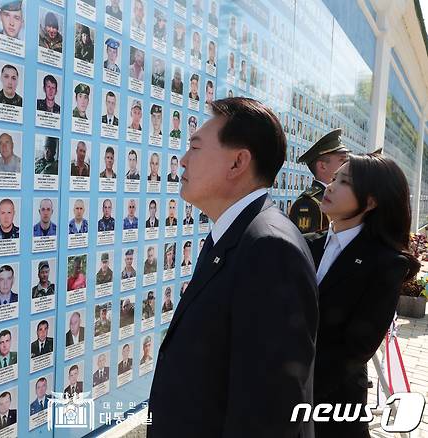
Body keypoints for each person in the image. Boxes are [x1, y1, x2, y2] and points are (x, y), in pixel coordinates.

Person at [148, 98, 318, 437]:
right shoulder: (237, 235)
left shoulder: (269, 249)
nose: (182, 161)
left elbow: (269, 412)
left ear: (238, 162)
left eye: (195, 147)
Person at [304, 153, 420, 438]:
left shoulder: (386, 263)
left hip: (331, 403)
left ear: (370, 201)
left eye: (344, 182)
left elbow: (357, 348)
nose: (330, 187)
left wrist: (295, 385)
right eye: (333, 178)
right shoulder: (307, 245)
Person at [290, 129, 349, 233]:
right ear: (322, 166)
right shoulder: (308, 203)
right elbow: (306, 246)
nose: (347, 164)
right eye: (342, 160)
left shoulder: (337, 196)